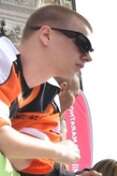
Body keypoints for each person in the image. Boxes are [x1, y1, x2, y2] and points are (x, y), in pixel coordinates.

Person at [0, 5, 90, 166]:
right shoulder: (4, 58)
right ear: (46, 35)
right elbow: (5, 141)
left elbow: (27, 165)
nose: (88, 57)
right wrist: (57, 150)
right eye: (83, 44)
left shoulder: (39, 95)